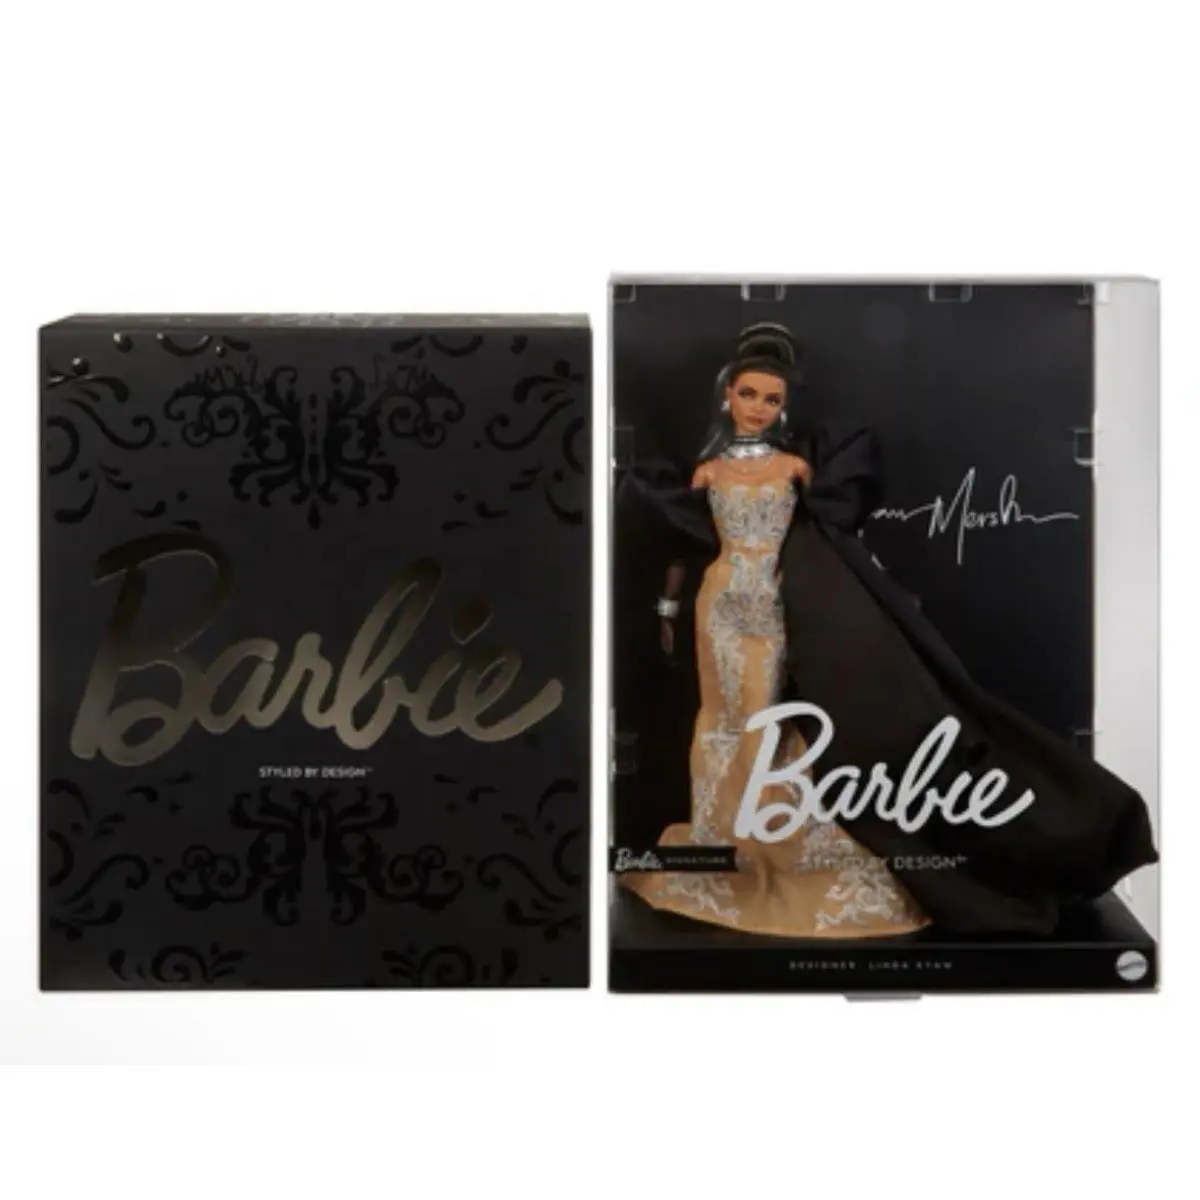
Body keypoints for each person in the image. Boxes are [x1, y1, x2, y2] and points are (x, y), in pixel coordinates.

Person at [619, 322, 1156, 938]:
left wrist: (852, 592)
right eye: (749, 395)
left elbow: (828, 537)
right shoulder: (706, 473)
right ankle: (722, 836)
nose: (759, 408)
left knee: (765, 716)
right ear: (728, 396)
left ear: (784, 406)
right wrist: (667, 610)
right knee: (718, 717)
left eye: (771, 398)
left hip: (771, 601)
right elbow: (685, 548)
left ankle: (771, 832)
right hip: (719, 603)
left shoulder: (795, 468)